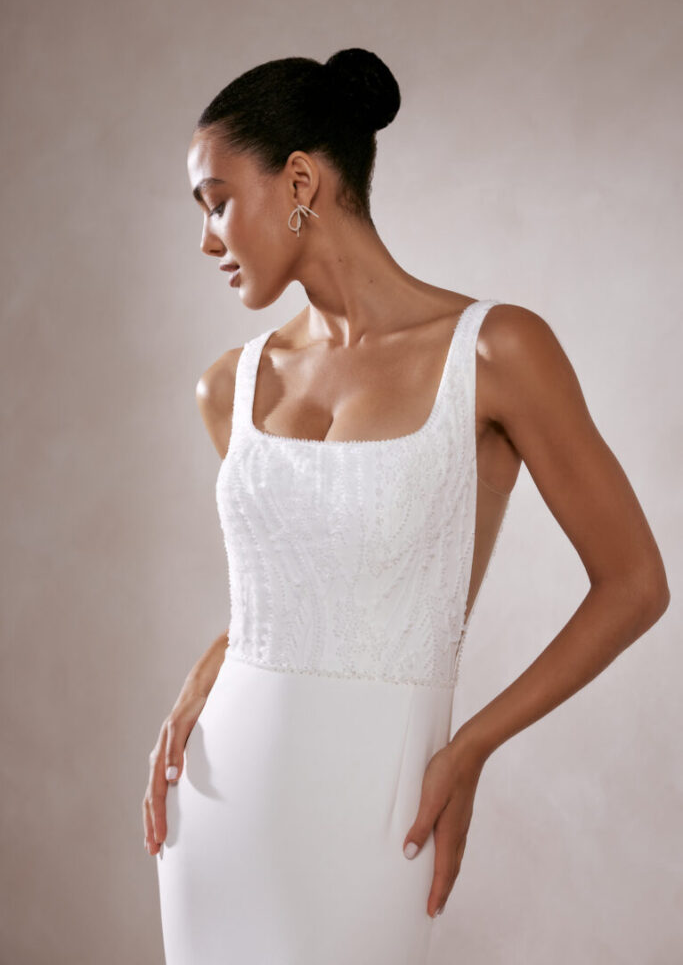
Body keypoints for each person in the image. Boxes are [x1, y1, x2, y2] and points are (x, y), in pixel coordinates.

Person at [142, 47, 670, 964]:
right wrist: (204, 672)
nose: (206, 239)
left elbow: (634, 583)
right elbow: (299, 590)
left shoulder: (495, 351)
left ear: (298, 181)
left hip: (376, 807)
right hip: (214, 808)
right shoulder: (230, 386)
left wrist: (470, 747)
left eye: (216, 201)